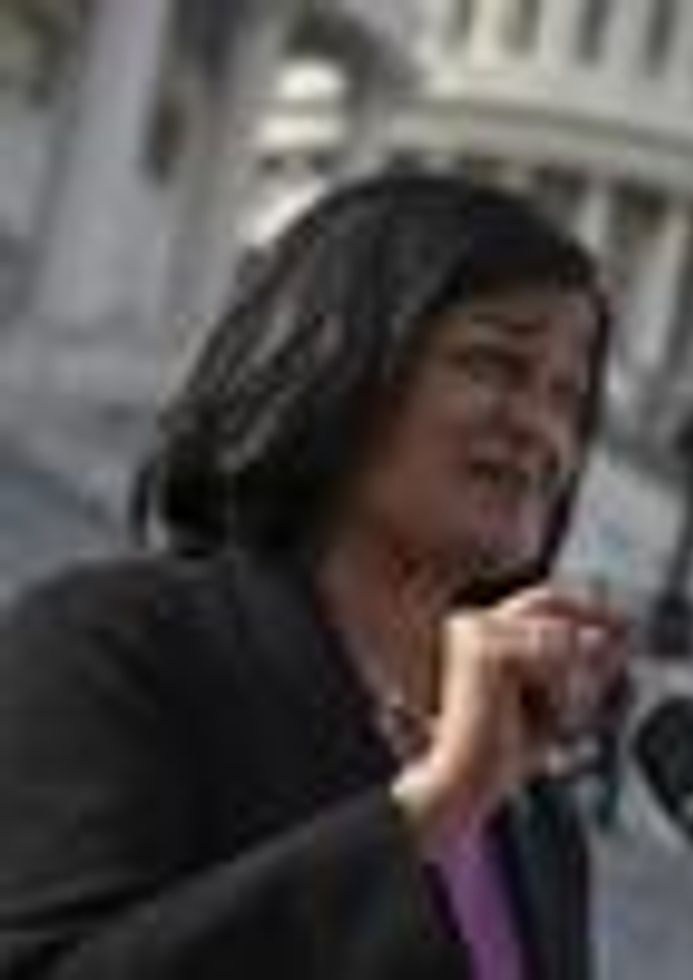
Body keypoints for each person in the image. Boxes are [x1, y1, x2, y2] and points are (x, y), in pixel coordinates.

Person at [0, 172, 629, 979]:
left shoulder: (537, 822)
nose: (537, 427)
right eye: (493, 364)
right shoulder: (116, 645)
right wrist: (433, 808)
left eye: (568, 397)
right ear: (336, 356)